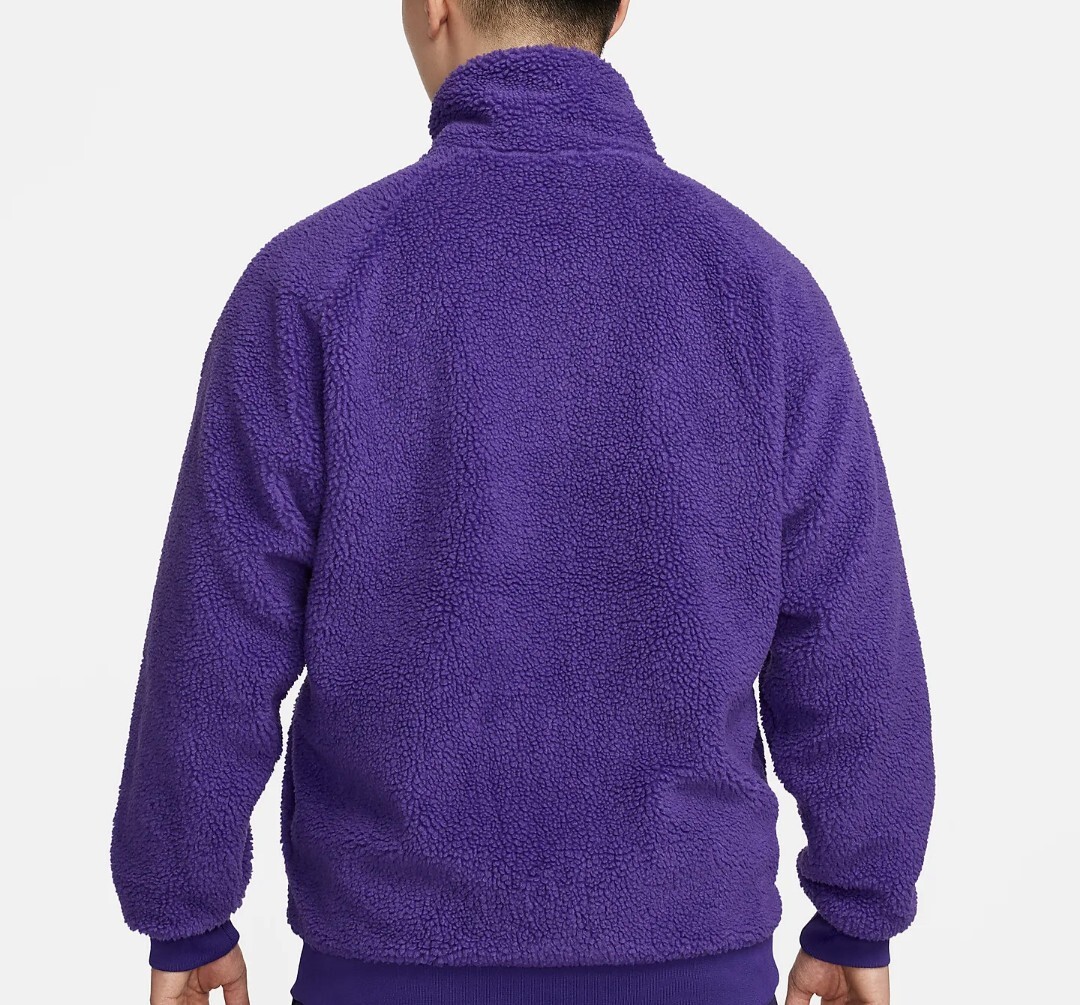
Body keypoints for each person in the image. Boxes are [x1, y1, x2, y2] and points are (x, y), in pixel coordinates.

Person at [109, 1, 936, 1003]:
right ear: (619, 9)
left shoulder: (314, 283)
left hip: (389, 960)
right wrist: (857, 909)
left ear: (434, 7)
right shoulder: (759, 289)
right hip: (688, 953)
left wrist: (186, 913)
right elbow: (850, 631)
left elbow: (218, 633)